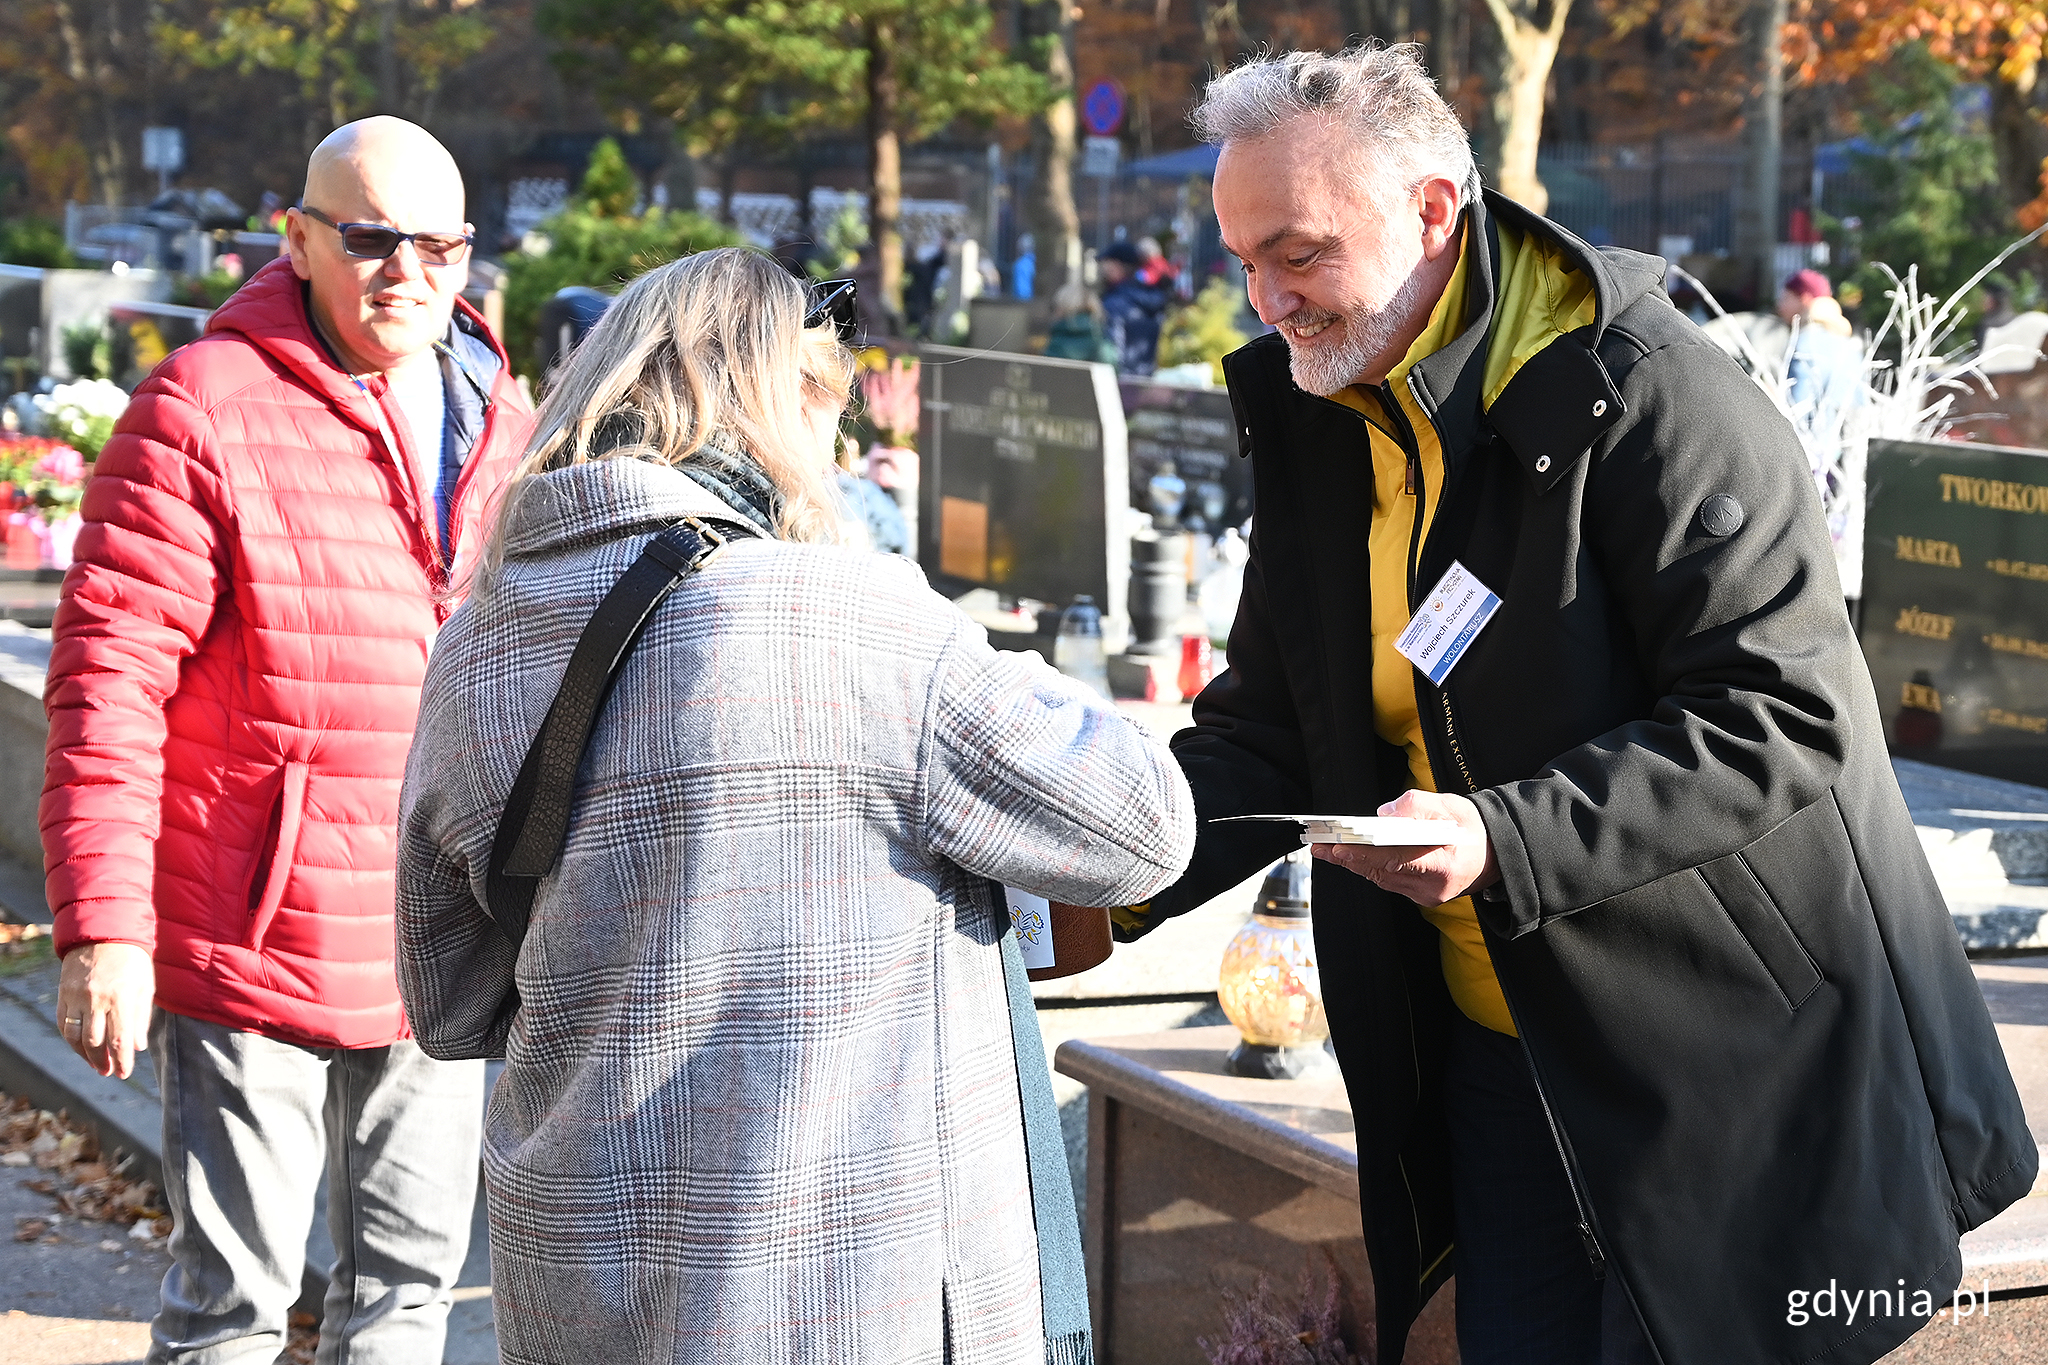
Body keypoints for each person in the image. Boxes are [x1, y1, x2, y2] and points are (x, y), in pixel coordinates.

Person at [1115, 44, 2035, 1365]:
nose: (1267, 300)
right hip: (1497, 1064)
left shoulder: (1654, 391)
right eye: (1243, 260)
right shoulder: (1323, 420)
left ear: (1436, 212)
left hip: (1726, 1073)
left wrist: (1508, 838)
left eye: (1298, 253)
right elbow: (1270, 726)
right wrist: (1099, 878)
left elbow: (1782, 714)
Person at [394, 247, 1194, 1364]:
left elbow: (448, 1007)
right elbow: (1142, 828)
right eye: (830, 414)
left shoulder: (474, 645)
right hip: (851, 1286)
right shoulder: (857, 619)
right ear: (790, 403)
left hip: (575, 1277)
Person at [42, 116, 534, 1363]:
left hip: (436, 929)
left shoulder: (497, 402)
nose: (406, 272)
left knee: (408, 1299)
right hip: (252, 932)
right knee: (234, 1309)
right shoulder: (202, 408)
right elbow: (107, 680)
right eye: (370, 240)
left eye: (438, 244)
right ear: (300, 238)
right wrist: (105, 928)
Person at [1098, 240, 1169, 373]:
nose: (1103, 269)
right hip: (1146, 377)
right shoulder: (1151, 297)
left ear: (1118, 266)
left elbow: (1113, 347)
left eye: (1107, 263)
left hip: (1122, 380)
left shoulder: (1116, 302)